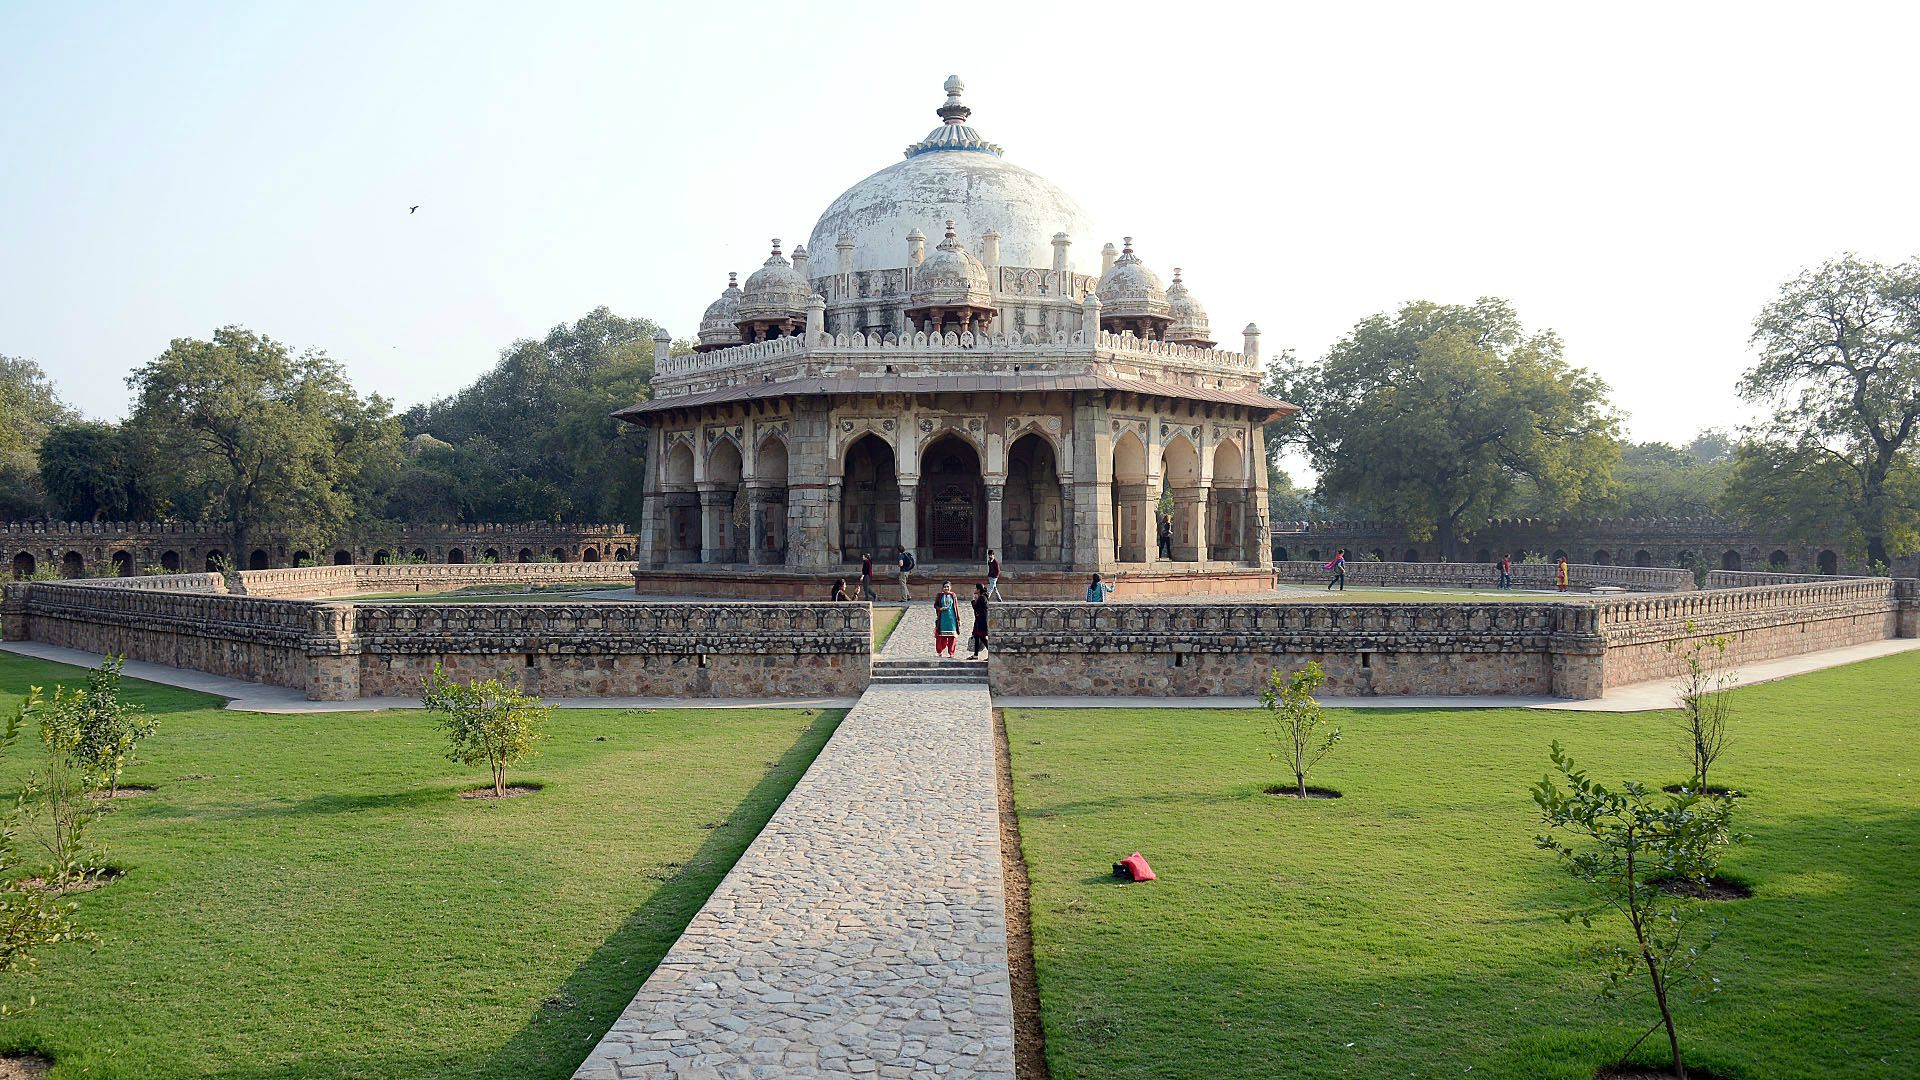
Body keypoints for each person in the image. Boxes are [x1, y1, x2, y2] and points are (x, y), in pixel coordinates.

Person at [933, 580, 960, 656]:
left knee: (952, 637)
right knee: (942, 636)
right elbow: (935, 605)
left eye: (948, 587)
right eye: (945, 587)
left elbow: (956, 607)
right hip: (942, 618)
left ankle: (951, 652)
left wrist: (958, 619)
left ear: (950, 587)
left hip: (952, 619)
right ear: (942, 588)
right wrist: (939, 609)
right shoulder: (940, 595)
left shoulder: (953, 595)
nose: (946, 588)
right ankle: (940, 651)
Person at [968, 582, 989, 659]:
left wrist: (973, 601)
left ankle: (991, 653)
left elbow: (977, 608)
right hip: (978, 620)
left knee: (982, 637)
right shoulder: (982, 597)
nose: (974, 589)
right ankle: (976, 654)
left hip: (982, 621)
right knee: (976, 636)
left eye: (975, 588)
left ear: (978, 589)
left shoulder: (982, 598)